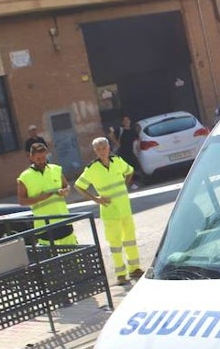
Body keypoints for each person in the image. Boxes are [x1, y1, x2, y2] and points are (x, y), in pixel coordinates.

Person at [74, 137, 143, 286]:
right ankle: (120, 274)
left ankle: (135, 269)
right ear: (95, 151)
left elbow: (129, 171)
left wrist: (125, 184)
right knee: (115, 244)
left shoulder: (117, 160)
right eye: (98, 149)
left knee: (130, 240)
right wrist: (95, 199)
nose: (101, 151)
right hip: (110, 212)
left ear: (108, 148)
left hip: (125, 208)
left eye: (103, 147)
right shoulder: (92, 169)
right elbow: (79, 186)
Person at [16, 141, 75, 247]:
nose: (42, 161)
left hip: (63, 220)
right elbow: (21, 201)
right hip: (43, 225)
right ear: (31, 157)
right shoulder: (24, 177)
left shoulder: (56, 169)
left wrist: (65, 191)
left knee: (72, 254)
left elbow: (67, 186)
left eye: (44, 158)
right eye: (39, 159)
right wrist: (40, 198)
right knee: (51, 259)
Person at [116, 116, 141, 188]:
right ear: (122, 122)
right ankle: (130, 184)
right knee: (126, 169)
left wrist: (138, 145)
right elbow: (111, 135)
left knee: (133, 167)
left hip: (130, 152)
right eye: (125, 120)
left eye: (128, 120)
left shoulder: (132, 130)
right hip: (122, 153)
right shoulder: (120, 130)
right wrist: (116, 143)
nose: (127, 121)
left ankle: (128, 183)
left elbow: (138, 137)